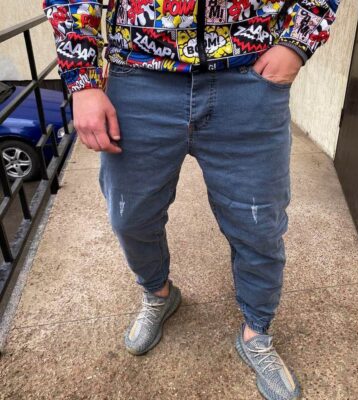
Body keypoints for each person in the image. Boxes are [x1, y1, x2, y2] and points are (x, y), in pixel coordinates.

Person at [43, 1, 340, 398]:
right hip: (139, 78)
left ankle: (257, 332)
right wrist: (83, 82)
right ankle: (158, 293)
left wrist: (295, 44)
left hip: (247, 79)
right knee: (130, 217)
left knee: (259, 225)